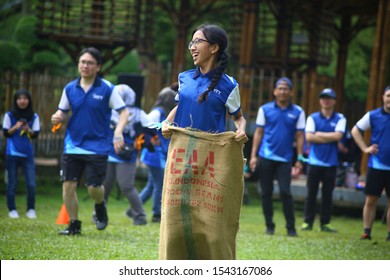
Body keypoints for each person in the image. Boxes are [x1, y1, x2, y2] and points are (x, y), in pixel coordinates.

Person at [51, 47, 129, 235]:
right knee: (68, 185)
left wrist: (118, 132)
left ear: (98, 66)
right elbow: (62, 110)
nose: (85, 66)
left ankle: (100, 204)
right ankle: (74, 226)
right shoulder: (70, 88)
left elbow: (124, 112)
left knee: (93, 188)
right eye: (82, 62)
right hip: (73, 145)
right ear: (78, 64)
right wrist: (57, 116)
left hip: (98, 146)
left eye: (90, 63)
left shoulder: (107, 89)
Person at [250, 77, 305, 237]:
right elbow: (258, 133)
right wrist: (253, 156)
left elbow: (300, 136)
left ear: (291, 92)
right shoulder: (265, 109)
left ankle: (291, 228)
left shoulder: (298, 112)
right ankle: (269, 226)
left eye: (286, 88)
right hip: (266, 156)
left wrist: (300, 158)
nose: (282, 91)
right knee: (265, 192)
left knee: (285, 192)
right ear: (274, 91)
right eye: (279, 88)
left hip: (285, 159)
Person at [98, 84, 152, 226]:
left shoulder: (138, 113)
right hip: (107, 151)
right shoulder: (109, 110)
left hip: (125, 154)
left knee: (126, 186)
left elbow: (150, 128)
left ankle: (140, 216)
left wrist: (141, 140)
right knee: (104, 185)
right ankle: (98, 214)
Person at [301, 88, 346, 232]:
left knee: (328, 195)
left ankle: (325, 223)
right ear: (320, 100)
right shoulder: (312, 117)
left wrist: (319, 134)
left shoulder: (340, 118)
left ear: (334, 101)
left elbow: (338, 137)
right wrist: (330, 136)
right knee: (311, 194)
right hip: (314, 162)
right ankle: (308, 222)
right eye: (324, 98)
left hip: (331, 163)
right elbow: (309, 137)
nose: (326, 100)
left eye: (329, 98)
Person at [351, 85, 390, 241]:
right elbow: (355, 130)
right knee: (371, 200)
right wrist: (364, 148)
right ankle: (366, 232)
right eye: (388, 96)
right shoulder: (373, 115)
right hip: (376, 165)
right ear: (383, 97)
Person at [139, 86, 176, 223]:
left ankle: (134, 209)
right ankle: (156, 213)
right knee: (159, 184)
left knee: (151, 185)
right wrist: (152, 141)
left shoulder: (167, 113)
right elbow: (145, 127)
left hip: (159, 154)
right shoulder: (157, 112)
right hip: (153, 155)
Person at [3, 89, 40, 219]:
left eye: (25, 98)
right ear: (16, 100)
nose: (22, 101)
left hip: (28, 155)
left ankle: (31, 209)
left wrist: (27, 129)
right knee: (12, 183)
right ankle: (12, 209)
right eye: (19, 98)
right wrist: (16, 127)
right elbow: (6, 133)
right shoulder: (9, 115)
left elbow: (35, 134)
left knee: (31, 183)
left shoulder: (34, 116)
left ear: (29, 101)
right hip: (12, 154)